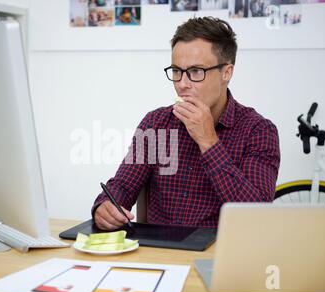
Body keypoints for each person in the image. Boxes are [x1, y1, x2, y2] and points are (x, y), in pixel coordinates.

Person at [91, 17, 281, 231]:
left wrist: (209, 141)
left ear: (226, 72)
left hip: (221, 255)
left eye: (196, 72)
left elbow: (257, 216)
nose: (182, 84)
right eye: (176, 71)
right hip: (162, 253)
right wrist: (104, 207)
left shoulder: (258, 131)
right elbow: (123, 186)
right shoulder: (157, 123)